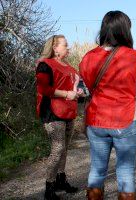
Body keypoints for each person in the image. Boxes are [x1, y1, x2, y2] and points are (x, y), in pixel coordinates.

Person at [79, 11, 136, 200]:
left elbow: (86, 89)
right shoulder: (134, 57)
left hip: (96, 120)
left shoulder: (88, 57)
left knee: (97, 169)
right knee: (125, 171)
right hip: (126, 119)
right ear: (125, 30)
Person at [36, 35, 83, 200]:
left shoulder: (70, 68)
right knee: (57, 150)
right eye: (65, 45)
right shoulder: (45, 65)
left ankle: (61, 180)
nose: (68, 47)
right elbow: (43, 88)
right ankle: (49, 187)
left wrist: (79, 93)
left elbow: (76, 88)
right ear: (55, 48)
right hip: (52, 112)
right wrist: (66, 94)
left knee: (64, 149)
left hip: (68, 112)